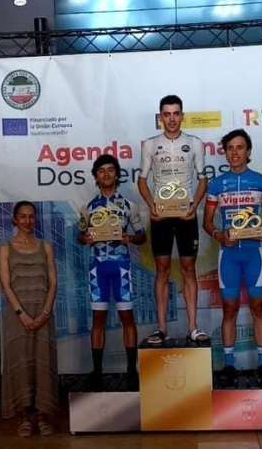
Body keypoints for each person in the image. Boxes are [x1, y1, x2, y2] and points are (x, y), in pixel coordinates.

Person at [203, 129, 262, 382]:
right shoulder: (216, 185)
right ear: (225, 153)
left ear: (248, 151)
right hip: (228, 255)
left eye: (240, 147)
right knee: (229, 308)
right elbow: (207, 223)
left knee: (258, 307)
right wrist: (219, 235)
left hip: (253, 253)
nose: (234, 152)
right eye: (230, 148)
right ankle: (228, 364)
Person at [138, 94, 208, 345]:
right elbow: (142, 180)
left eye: (176, 114)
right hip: (161, 216)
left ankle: (193, 327)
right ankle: (161, 328)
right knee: (162, 269)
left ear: (182, 116)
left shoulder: (195, 143)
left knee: (189, 268)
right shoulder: (150, 144)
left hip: (186, 214)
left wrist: (195, 205)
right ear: (160, 117)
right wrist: (151, 206)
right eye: (166, 114)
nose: (171, 119)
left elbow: (203, 179)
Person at [78, 154, 146, 390]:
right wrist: (85, 238)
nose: (106, 174)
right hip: (97, 268)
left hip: (121, 267)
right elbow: (80, 236)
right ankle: (97, 372)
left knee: (127, 318)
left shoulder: (130, 206)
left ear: (117, 175)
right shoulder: (87, 207)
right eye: (101, 171)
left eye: (110, 170)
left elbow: (142, 236)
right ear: (96, 177)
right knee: (98, 320)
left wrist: (130, 239)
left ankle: (131, 371)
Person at [0, 201, 58, 437]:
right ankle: (23, 418)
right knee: (21, 364)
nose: (27, 221)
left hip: (43, 314)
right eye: (22, 216)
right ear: (14, 220)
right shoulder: (5, 248)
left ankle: (42, 417)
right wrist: (21, 314)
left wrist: (45, 312)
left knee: (42, 363)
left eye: (31, 216)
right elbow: (5, 284)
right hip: (18, 317)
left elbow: (53, 282)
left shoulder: (46, 246)